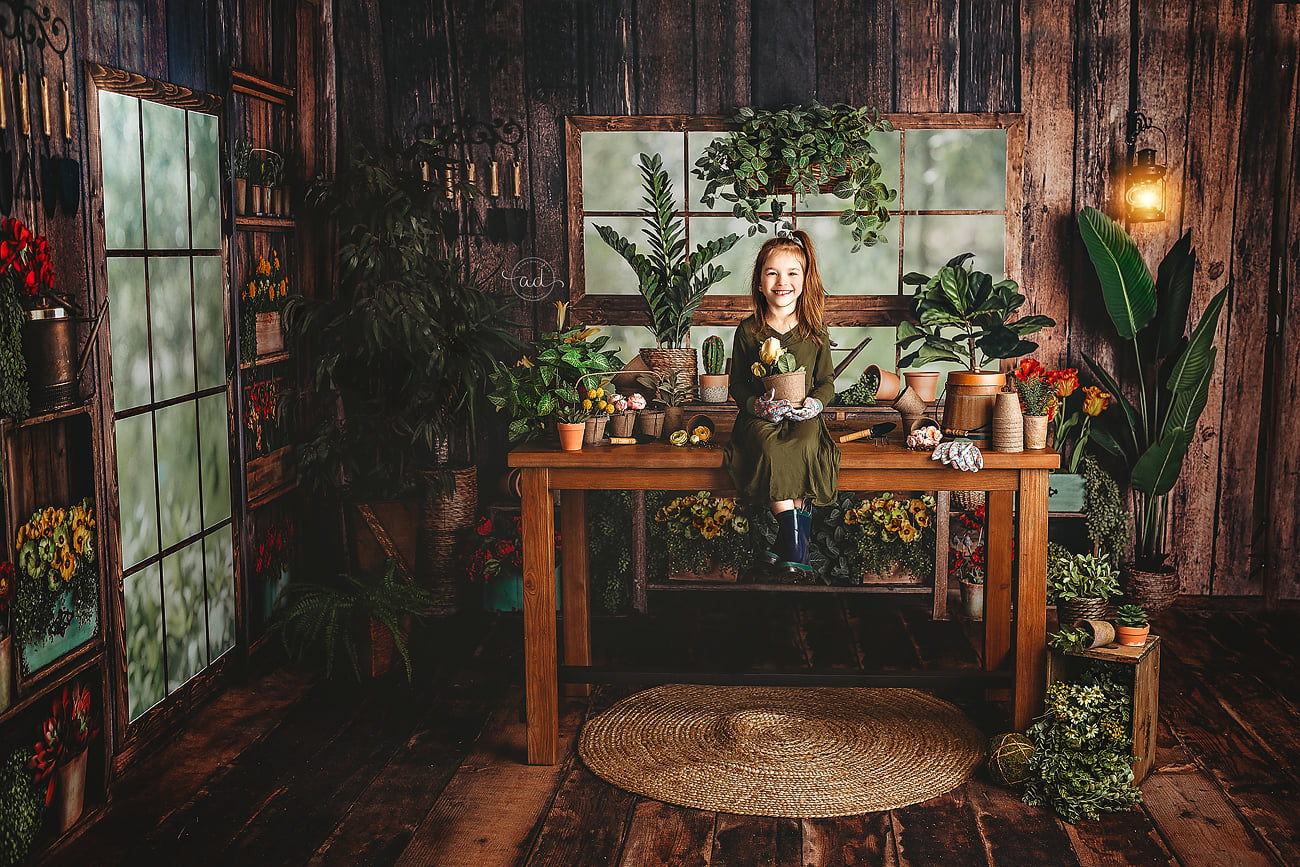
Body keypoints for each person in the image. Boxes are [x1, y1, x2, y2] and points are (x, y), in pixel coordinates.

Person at [722, 228, 841, 574]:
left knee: (805, 444)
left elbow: (826, 382)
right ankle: (796, 549)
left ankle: (787, 546)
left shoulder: (814, 329)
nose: (781, 281)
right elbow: (739, 384)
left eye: (792, 273)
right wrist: (756, 406)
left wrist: (815, 405)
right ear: (759, 282)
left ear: (804, 280)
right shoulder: (748, 330)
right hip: (762, 418)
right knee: (771, 449)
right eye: (771, 273)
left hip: (802, 415)